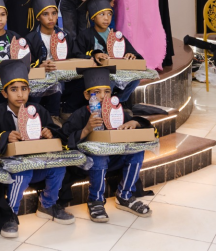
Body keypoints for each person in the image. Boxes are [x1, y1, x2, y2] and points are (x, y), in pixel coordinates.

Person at [0, 58, 74, 238]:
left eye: (24, 89)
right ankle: (11, 213)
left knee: (58, 167)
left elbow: (56, 132)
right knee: (23, 172)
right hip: (10, 170)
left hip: (38, 164)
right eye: (14, 89)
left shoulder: (37, 110)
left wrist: (49, 132)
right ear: (4, 93)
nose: (20, 94)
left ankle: (47, 204)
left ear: (29, 90)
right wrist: (5, 137)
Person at [62, 67, 153, 222]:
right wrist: (86, 129)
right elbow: (65, 140)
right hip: (88, 162)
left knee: (137, 151)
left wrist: (134, 123)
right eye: (96, 92)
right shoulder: (81, 114)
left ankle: (125, 195)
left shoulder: (117, 111)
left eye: (107, 92)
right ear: (86, 95)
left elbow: (140, 127)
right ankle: (95, 200)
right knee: (100, 156)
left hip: (114, 158)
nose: (103, 96)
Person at [69, 0, 144, 114]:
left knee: (135, 79)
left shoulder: (116, 35)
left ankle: (117, 102)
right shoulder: (85, 35)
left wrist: (131, 55)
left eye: (109, 14)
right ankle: (101, 107)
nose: (106, 18)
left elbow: (131, 51)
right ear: (93, 17)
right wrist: (93, 56)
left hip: (116, 72)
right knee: (108, 81)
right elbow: (76, 54)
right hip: (96, 73)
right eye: (102, 14)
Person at [22, 0, 72, 124]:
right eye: (45, 14)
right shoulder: (31, 39)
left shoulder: (64, 36)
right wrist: (39, 66)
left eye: (54, 13)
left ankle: (55, 116)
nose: (51, 18)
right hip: (39, 77)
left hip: (60, 75)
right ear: (38, 17)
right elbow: (25, 64)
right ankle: (33, 118)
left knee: (61, 81)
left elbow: (74, 55)